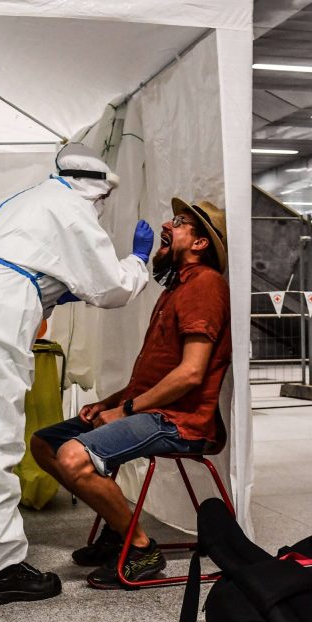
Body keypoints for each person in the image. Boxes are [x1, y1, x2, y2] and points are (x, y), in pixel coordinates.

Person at [0, 143, 153, 606]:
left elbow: (38, 267)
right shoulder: (73, 208)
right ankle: (3, 567)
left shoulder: (25, 200)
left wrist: (52, 290)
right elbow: (112, 288)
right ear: (97, 191)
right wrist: (139, 261)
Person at [30, 198, 231, 589]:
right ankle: (119, 530)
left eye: (180, 222)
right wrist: (108, 404)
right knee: (45, 444)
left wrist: (124, 410)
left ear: (200, 243)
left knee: (72, 457)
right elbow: (153, 377)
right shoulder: (177, 289)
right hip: (151, 411)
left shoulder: (205, 285)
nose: (166, 226)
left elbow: (191, 373)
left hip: (179, 422)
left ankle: (141, 549)